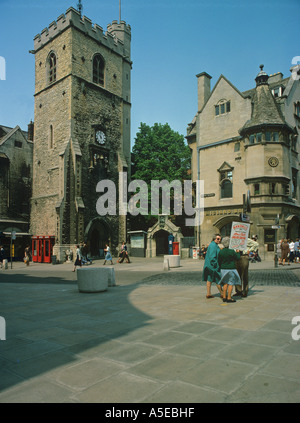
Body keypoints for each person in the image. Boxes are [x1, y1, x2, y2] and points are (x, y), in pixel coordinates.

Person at [217, 237, 241, 303]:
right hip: (231, 268)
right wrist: (238, 252)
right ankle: (229, 298)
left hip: (223, 269)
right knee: (231, 283)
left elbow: (219, 261)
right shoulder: (231, 251)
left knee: (225, 283)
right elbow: (237, 258)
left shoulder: (221, 251)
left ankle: (224, 297)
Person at [202, 234, 222, 299]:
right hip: (212, 266)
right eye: (218, 239)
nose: (219, 240)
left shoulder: (213, 244)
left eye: (220, 239)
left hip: (209, 265)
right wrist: (216, 265)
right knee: (217, 278)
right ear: (214, 239)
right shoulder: (213, 245)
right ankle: (222, 293)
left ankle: (208, 293)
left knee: (209, 279)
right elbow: (212, 257)